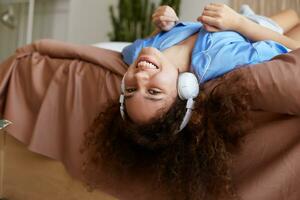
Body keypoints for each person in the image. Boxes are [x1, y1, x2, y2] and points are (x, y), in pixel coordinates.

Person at [83, 4, 300, 200]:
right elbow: (292, 47)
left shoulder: (135, 55)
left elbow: (144, 44)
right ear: (185, 88)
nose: (139, 78)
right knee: (294, 17)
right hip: (252, 28)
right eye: (154, 91)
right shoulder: (222, 61)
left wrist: (164, 23)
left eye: (130, 90)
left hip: (225, 21)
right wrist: (239, 23)